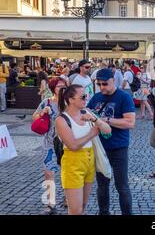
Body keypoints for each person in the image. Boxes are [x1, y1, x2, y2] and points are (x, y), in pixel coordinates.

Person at [55, 84, 111, 215]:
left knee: (83, 206)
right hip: (72, 164)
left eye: (87, 96)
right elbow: (73, 145)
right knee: (75, 210)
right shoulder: (61, 120)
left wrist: (94, 119)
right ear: (70, 99)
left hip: (89, 162)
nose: (86, 99)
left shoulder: (87, 113)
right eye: (83, 96)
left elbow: (108, 130)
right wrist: (91, 134)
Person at [87, 68, 136, 215]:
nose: (102, 87)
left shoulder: (124, 97)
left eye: (105, 84)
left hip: (118, 147)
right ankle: (104, 213)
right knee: (102, 185)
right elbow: (87, 113)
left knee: (122, 186)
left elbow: (130, 123)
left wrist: (104, 120)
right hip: (100, 148)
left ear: (113, 80)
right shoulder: (96, 97)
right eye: (99, 84)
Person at [32, 78, 67, 215]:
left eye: (64, 86)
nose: (63, 88)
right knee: (48, 173)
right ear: (53, 88)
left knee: (67, 173)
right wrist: (42, 113)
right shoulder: (46, 102)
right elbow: (34, 117)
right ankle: (50, 204)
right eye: (59, 86)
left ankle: (67, 197)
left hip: (67, 144)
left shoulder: (70, 102)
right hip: (50, 144)